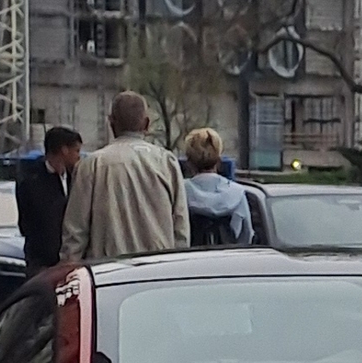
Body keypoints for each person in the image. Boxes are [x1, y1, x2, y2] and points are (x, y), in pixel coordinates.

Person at [61, 92, 185, 263]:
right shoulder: (166, 162)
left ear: (111, 122)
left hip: (107, 273)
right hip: (158, 271)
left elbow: (75, 231)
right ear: (147, 124)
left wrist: (68, 267)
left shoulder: (92, 165)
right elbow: (180, 226)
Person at [16, 121, 83, 273]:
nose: (79, 157)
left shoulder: (76, 177)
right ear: (65, 150)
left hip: (72, 260)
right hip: (43, 262)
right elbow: (28, 224)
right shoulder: (32, 181)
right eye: (76, 151)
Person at [181, 125, 253, 248]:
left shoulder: (181, 192)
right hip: (228, 261)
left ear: (189, 162)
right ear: (219, 160)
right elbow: (246, 234)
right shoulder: (237, 193)